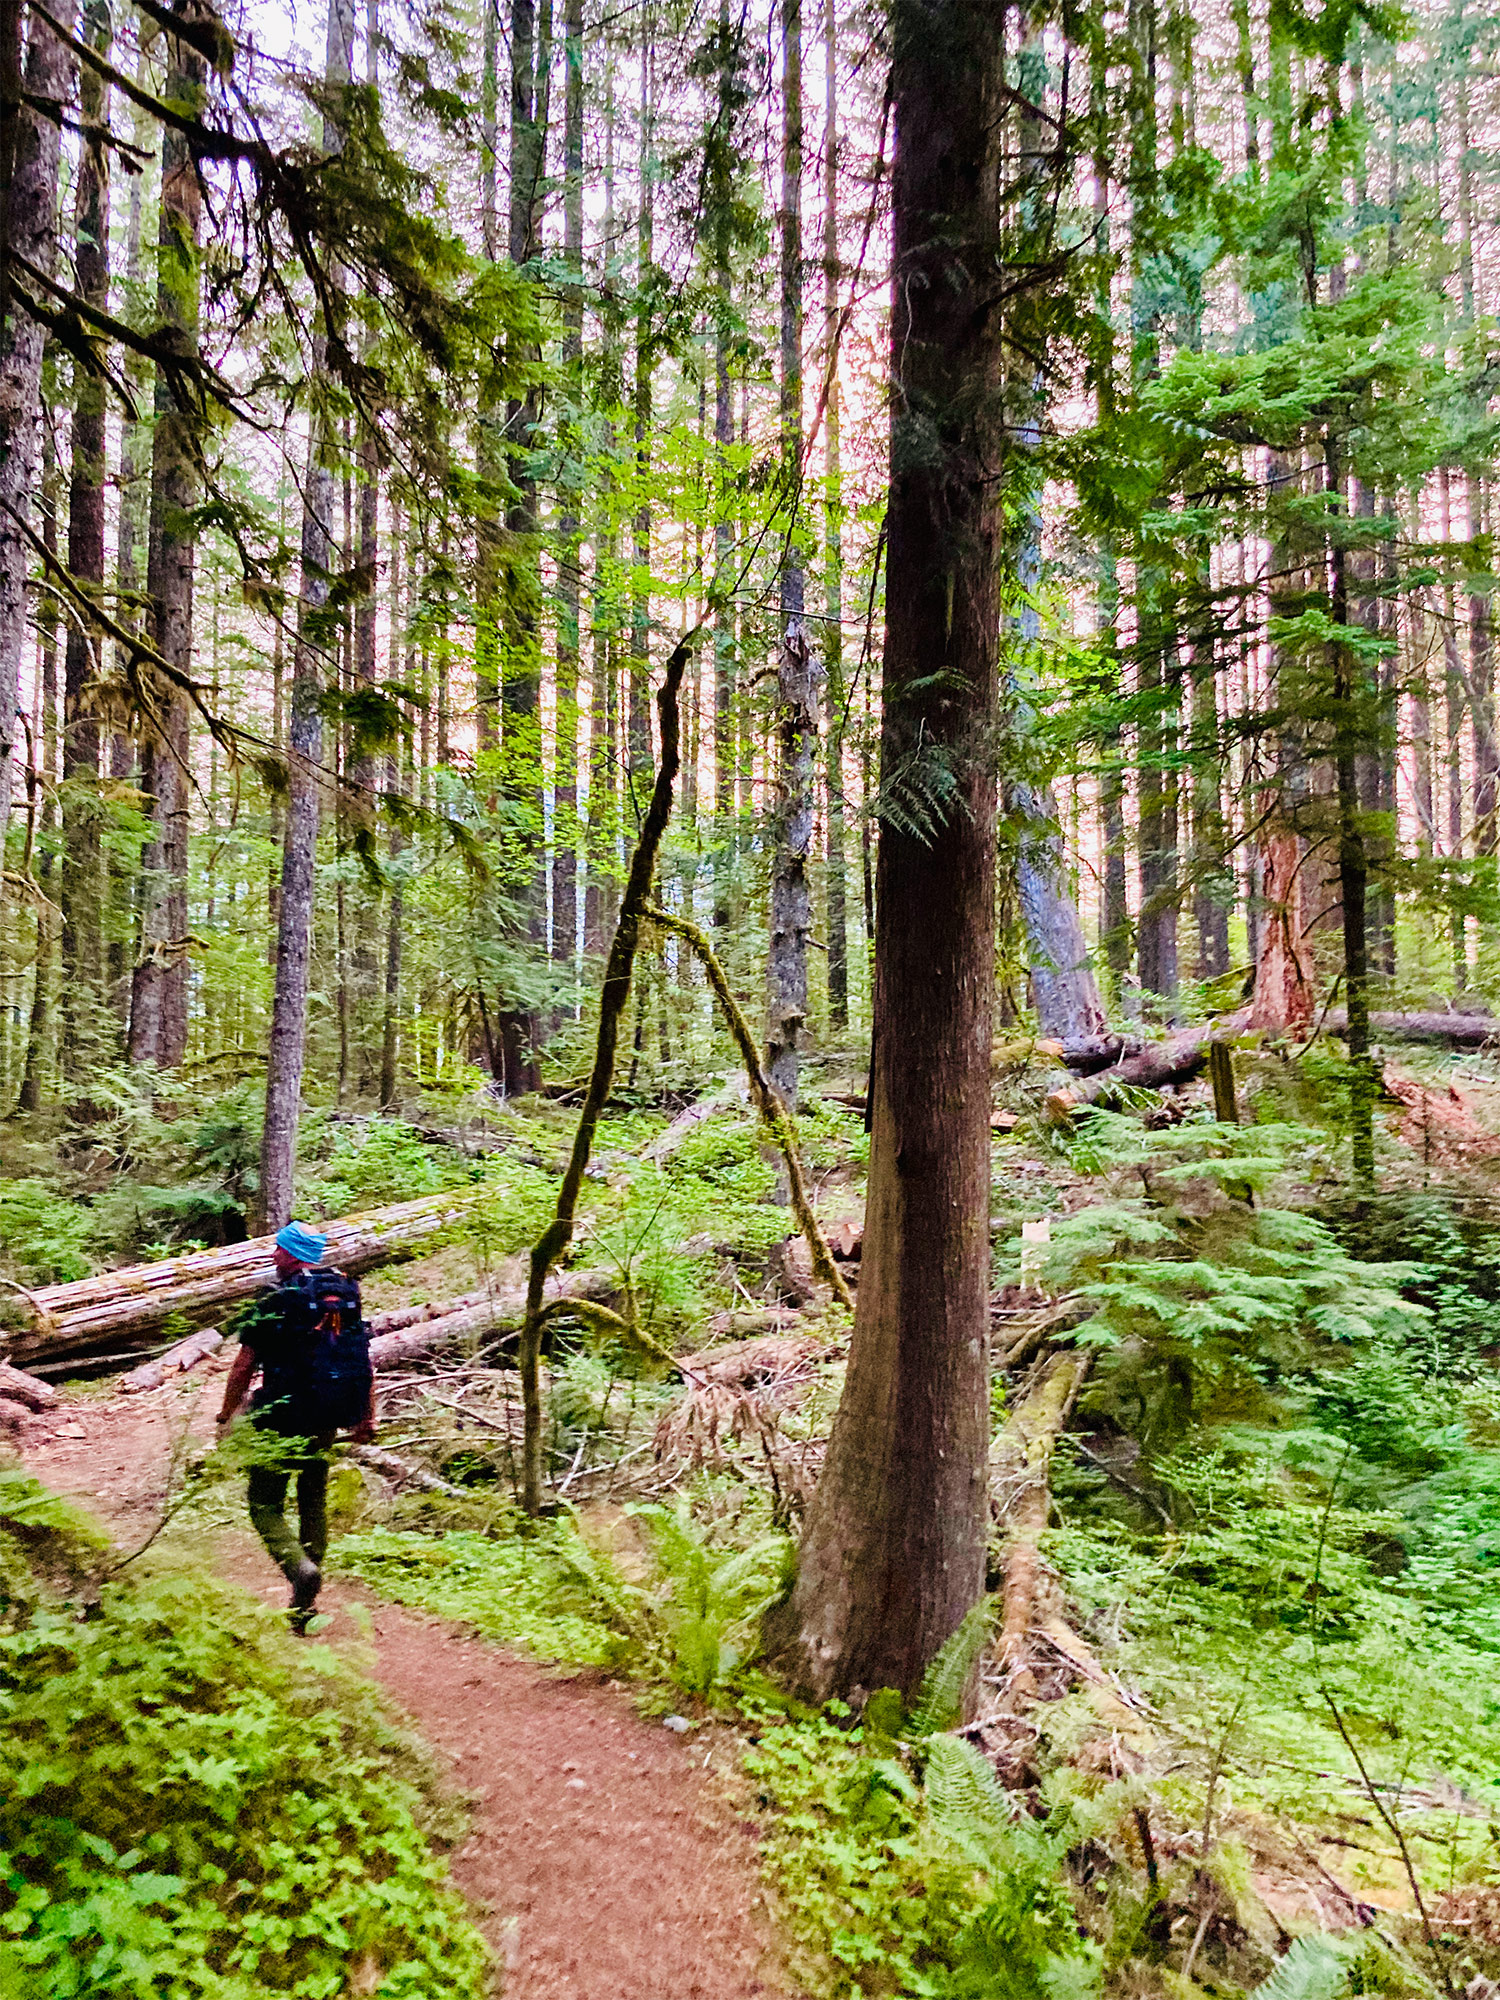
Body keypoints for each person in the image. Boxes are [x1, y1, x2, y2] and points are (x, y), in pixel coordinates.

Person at [216, 1221, 376, 1632]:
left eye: (278, 1250)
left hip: (280, 1415)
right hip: (328, 1412)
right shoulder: (342, 1295)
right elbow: (361, 1358)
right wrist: (365, 1415)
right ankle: (304, 1606)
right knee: (312, 1499)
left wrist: (227, 1415)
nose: (273, 1256)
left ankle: (300, 1570)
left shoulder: (276, 1297)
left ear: (291, 1254)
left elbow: (243, 1367)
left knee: (265, 1503)